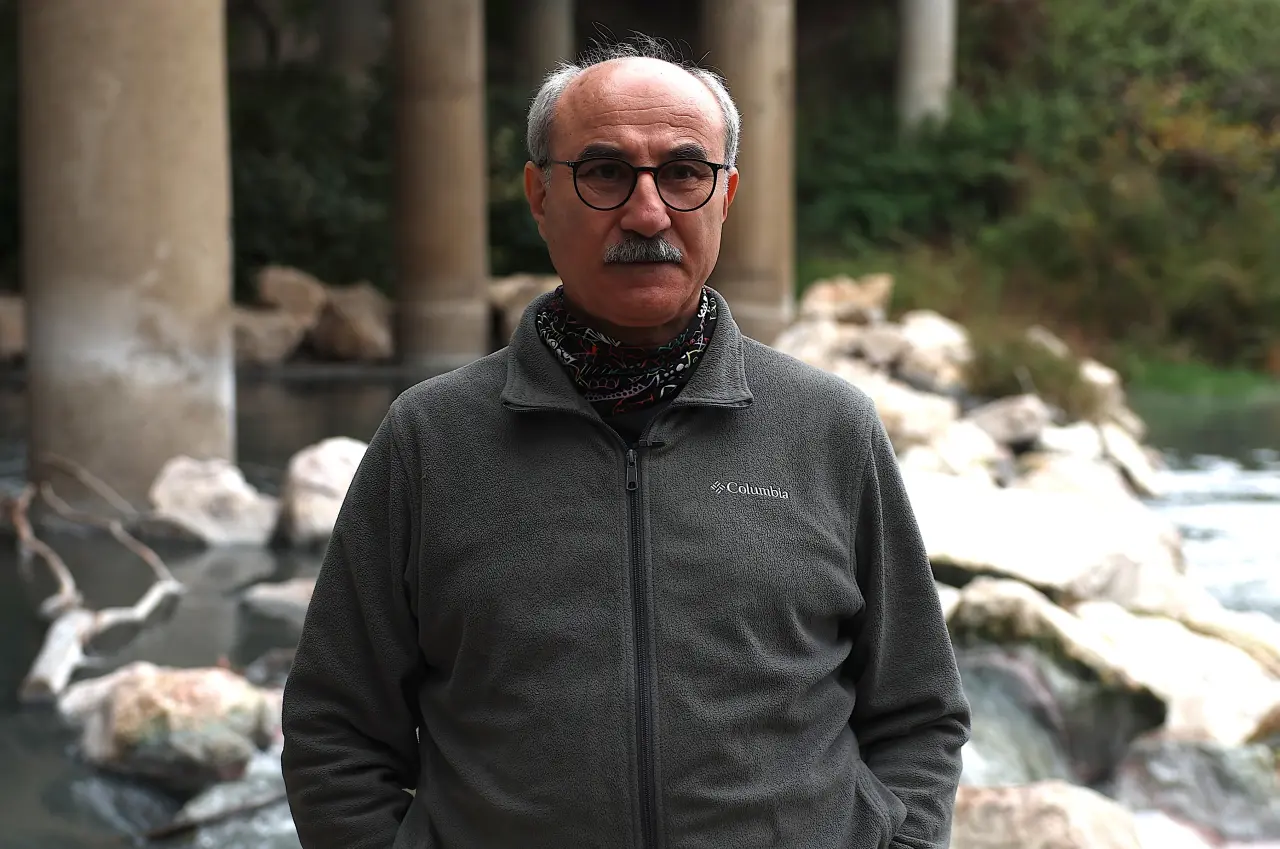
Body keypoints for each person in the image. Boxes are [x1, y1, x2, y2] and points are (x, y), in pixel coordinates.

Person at [281, 37, 971, 849]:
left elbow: (919, 712)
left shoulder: (829, 428)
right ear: (540, 195)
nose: (648, 213)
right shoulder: (430, 440)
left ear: (726, 196)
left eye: (684, 172)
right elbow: (335, 729)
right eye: (605, 172)